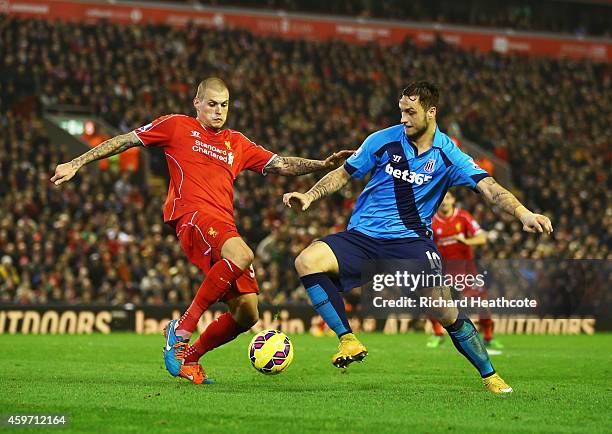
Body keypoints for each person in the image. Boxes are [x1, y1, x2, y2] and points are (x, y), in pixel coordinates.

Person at [51, 77, 353, 384]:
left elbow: (282, 164)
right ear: (197, 103)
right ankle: (180, 332)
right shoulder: (176, 126)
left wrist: (323, 164)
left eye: (224, 105)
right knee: (243, 253)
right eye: (212, 104)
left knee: (248, 313)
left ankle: (190, 359)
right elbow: (126, 140)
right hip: (192, 215)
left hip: (223, 224)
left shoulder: (237, 142)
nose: (219, 111)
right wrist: (77, 162)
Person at [283, 81, 553, 394]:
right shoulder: (381, 141)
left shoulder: (448, 154)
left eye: (411, 112)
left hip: (410, 242)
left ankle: (489, 375)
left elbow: (490, 187)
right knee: (307, 260)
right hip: (364, 237)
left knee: (443, 308)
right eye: (401, 111)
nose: (404, 118)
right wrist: (310, 196)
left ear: (431, 112)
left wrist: (524, 214)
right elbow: (344, 173)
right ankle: (348, 339)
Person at [429, 191, 503, 352]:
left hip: (467, 272)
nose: (444, 202)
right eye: (441, 198)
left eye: (447, 198)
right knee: (433, 302)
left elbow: (482, 238)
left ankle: (488, 337)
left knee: (482, 303)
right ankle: (437, 334)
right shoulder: (432, 221)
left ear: (453, 200)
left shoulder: (463, 217)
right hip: (443, 271)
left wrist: (466, 240)